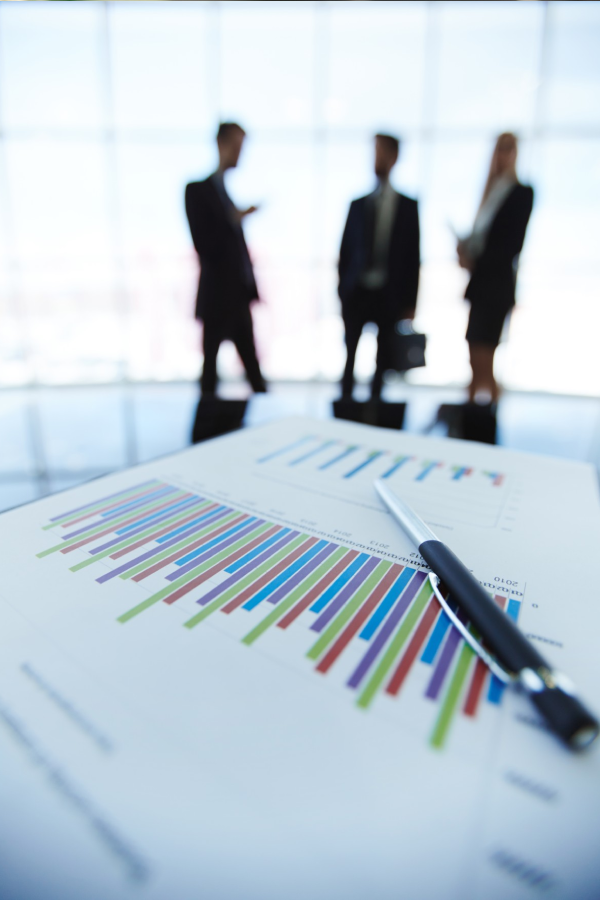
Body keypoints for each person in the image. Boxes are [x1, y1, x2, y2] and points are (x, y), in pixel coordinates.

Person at [185, 122, 267, 395]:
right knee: (210, 375)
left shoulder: (226, 195)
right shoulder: (197, 190)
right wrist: (234, 219)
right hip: (217, 298)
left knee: (254, 372)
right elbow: (204, 244)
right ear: (221, 144)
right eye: (236, 146)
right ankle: (203, 433)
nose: (239, 153)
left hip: (239, 296)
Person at [338, 133, 420, 400]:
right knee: (349, 356)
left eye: (382, 151)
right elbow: (344, 252)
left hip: (388, 295)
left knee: (382, 360)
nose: (377, 158)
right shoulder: (358, 204)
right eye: (374, 151)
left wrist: (411, 302)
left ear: (394, 157)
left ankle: (375, 410)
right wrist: (342, 291)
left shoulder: (408, 207)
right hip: (357, 293)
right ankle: (345, 408)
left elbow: (413, 258)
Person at [457, 132, 534, 404]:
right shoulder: (489, 192)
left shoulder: (521, 192)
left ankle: (486, 419)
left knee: (485, 356)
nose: (502, 155)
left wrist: (477, 260)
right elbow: (481, 240)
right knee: (473, 357)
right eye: (499, 149)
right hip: (479, 286)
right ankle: (471, 417)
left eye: (507, 149)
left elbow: (512, 246)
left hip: (497, 287)